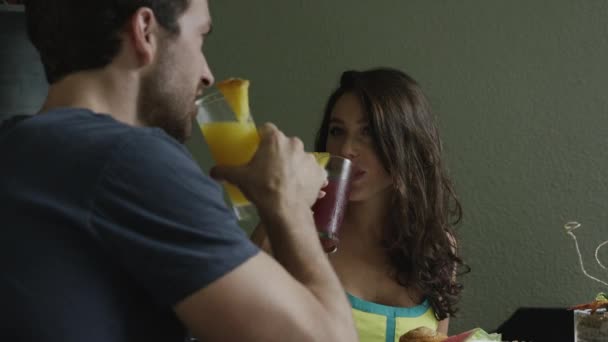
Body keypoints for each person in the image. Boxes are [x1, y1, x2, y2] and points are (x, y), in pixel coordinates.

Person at [0, 1, 357, 341]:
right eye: (200, 36)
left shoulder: (18, 148)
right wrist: (290, 204)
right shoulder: (130, 161)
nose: (207, 73)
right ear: (145, 30)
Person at [252, 68, 468, 341]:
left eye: (368, 132)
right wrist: (280, 208)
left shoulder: (437, 246)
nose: (345, 149)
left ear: (406, 142)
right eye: (337, 131)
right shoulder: (292, 231)